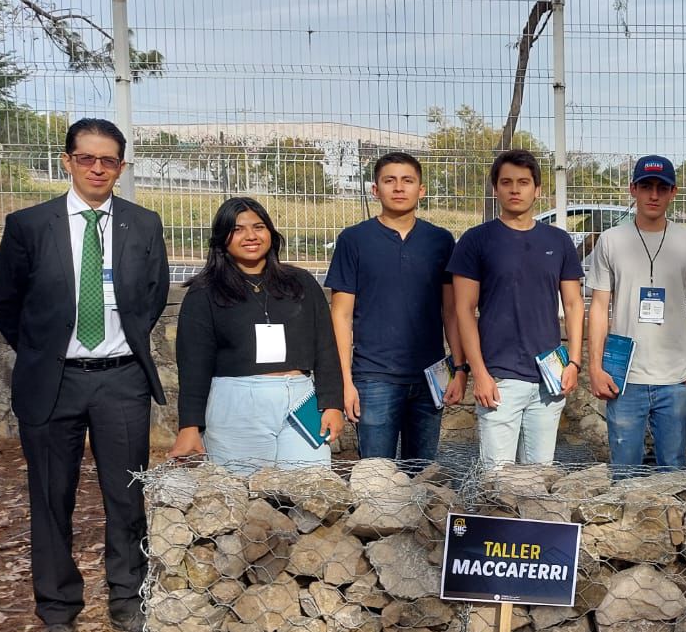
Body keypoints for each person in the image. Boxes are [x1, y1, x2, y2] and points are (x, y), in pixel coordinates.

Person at [0, 118, 170, 632]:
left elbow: (151, 298)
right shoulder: (29, 225)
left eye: (108, 160)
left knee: (126, 495)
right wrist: (45, 353)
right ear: (67, 160)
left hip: (120, 380)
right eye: (86, 158)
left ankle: (127, 600)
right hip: (53, 381)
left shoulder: (144, 223)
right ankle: (58, 609)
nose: (96, 168)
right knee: (51, 496)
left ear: (121, 167)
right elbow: (6, 300)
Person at [170, 198, 345, 473]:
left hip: (301, 400)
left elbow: (325, 346)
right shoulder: (204, 292)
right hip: (236, 403)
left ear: (271, 234)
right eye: (238, 230)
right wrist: (189, 426)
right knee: (243, 496)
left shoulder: (301, 283)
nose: (251, 236)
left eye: (258, 227)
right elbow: (193, 366)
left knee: (310, 493)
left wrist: (332, 404)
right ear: (222, 238)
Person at [327, 152, 464, 467]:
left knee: (424, 478)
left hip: (431, 377)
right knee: (375, 478)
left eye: (407, 181)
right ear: (375, 190)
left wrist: (460, 369)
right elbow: (341, 315)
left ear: (421, 190)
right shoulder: (354, 240)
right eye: (389, 181)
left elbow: (452, 312)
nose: (399, 188)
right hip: (373, 378)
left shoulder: (440, 241)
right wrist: (345, 383)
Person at [450, 149, 585, 466]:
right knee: (497, 482)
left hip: (549, 378)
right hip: (499, 379)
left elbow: (574, 303)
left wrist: (575, 362)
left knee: (538, 479)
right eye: (506, 182)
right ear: (496, 188)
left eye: (523, 182)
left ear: (537, 190)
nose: (515, 189)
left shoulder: (558, 241)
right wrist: (479, 373)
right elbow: (463, 311)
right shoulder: (476, 241)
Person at [587, 155, 686, 473]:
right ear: (633, 189)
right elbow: (599, 306)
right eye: (646, 186)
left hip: (675, 379)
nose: (653, 195)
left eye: (662, 187)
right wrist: (594, 366)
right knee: (624, 471)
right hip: (624, 378)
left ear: (674, 192)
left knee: (673, 469)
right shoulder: (611, 240)